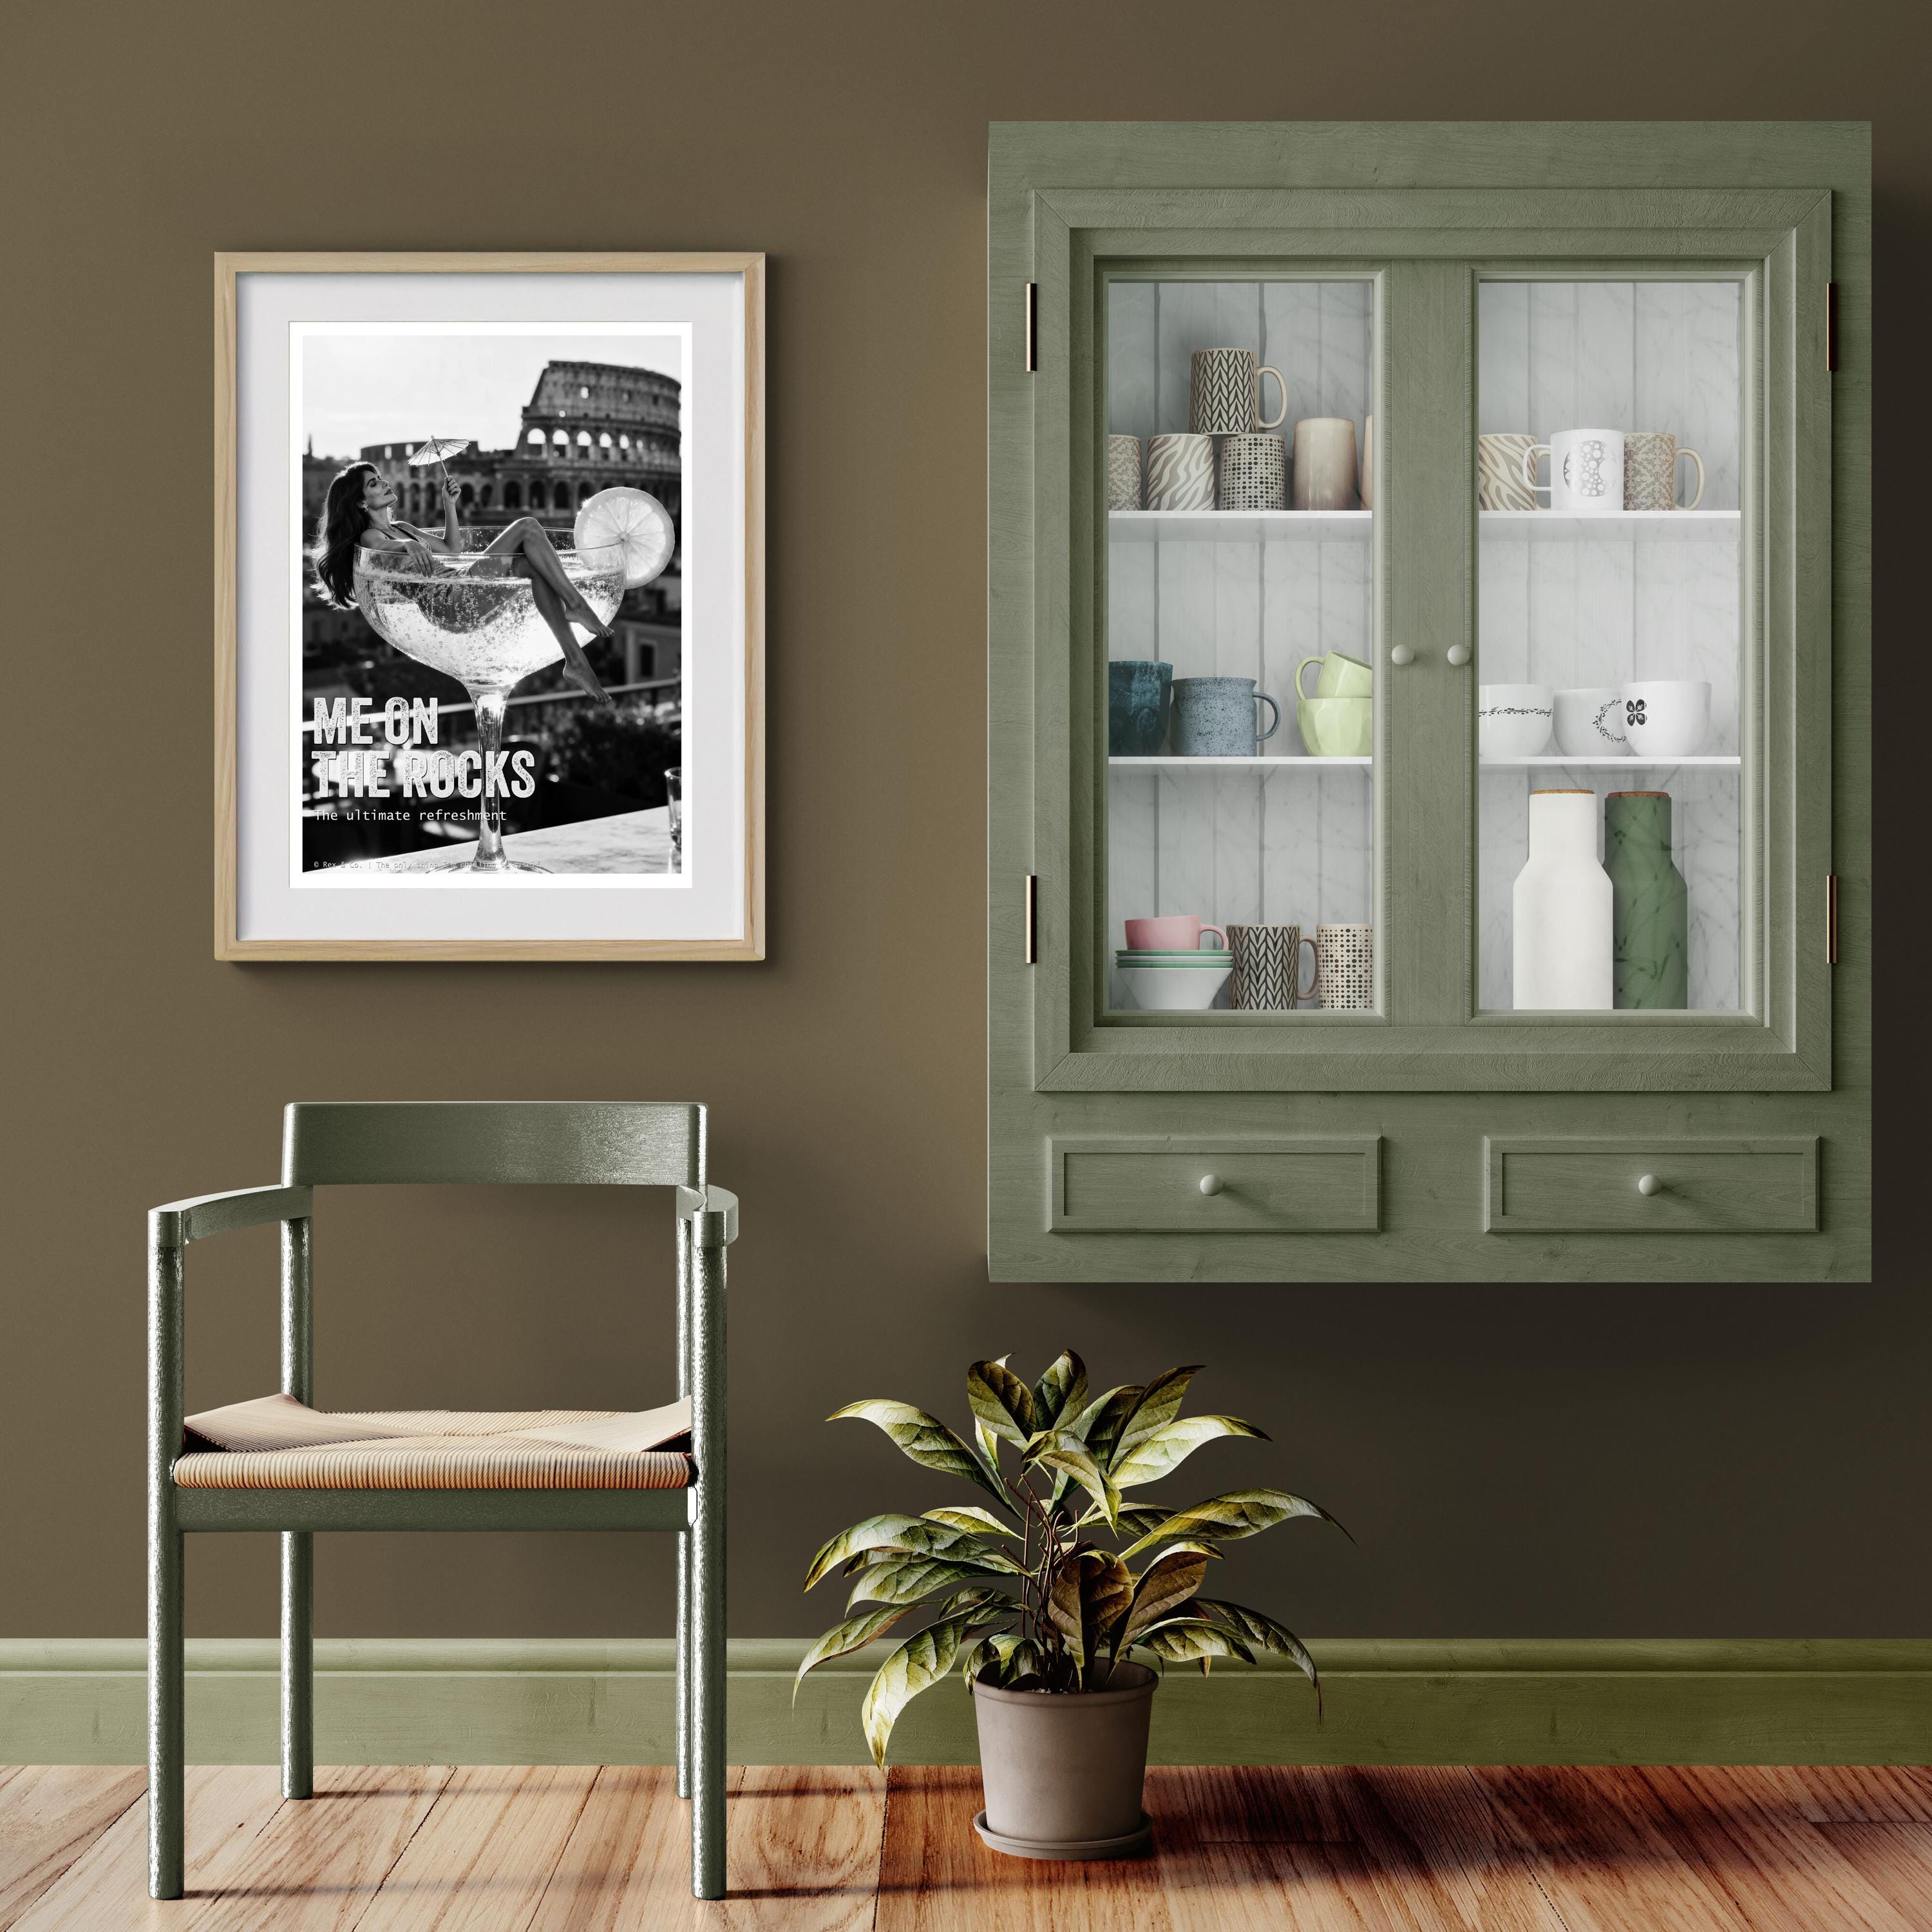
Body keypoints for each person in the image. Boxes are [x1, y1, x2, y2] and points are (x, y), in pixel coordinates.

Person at [312, 460, 613, 704]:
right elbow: (381, 549)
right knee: (528, 527)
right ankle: (575, 605)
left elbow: (451, 550)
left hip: (461, 588)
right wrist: (406, 547)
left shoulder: (403, 527)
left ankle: (575, 662)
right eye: (374, 483)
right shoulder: (372, 536)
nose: (385, 482)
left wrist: (449, 505)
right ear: (361, 503)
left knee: (534, 567)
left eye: (379, 477)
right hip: (451, 601)